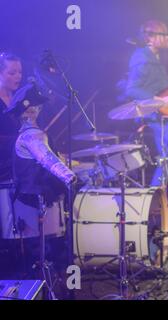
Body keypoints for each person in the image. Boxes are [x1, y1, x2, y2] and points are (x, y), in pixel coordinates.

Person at [4, 83, 76, 272]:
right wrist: (69, 176)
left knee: (42, 249)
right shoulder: (32, 135)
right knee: (45, 249)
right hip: (35, 197)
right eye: (29, 109)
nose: (33, 111)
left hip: (33, 195)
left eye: (35, 108)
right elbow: (46, 158)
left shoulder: (28, 134)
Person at [125, 19, 168, 217]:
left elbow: (157, 86)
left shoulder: (154, 57)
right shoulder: (142, 56)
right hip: (155, 118)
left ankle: (152, 205)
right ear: (150, 37)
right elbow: (132, 88)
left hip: (162, 117)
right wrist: (160, 102)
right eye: (163, 34)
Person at [0, 52, 22, 182]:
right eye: (12, 73)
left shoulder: (18, 100)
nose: (18, 77)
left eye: (20, 72)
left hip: (16, 167)